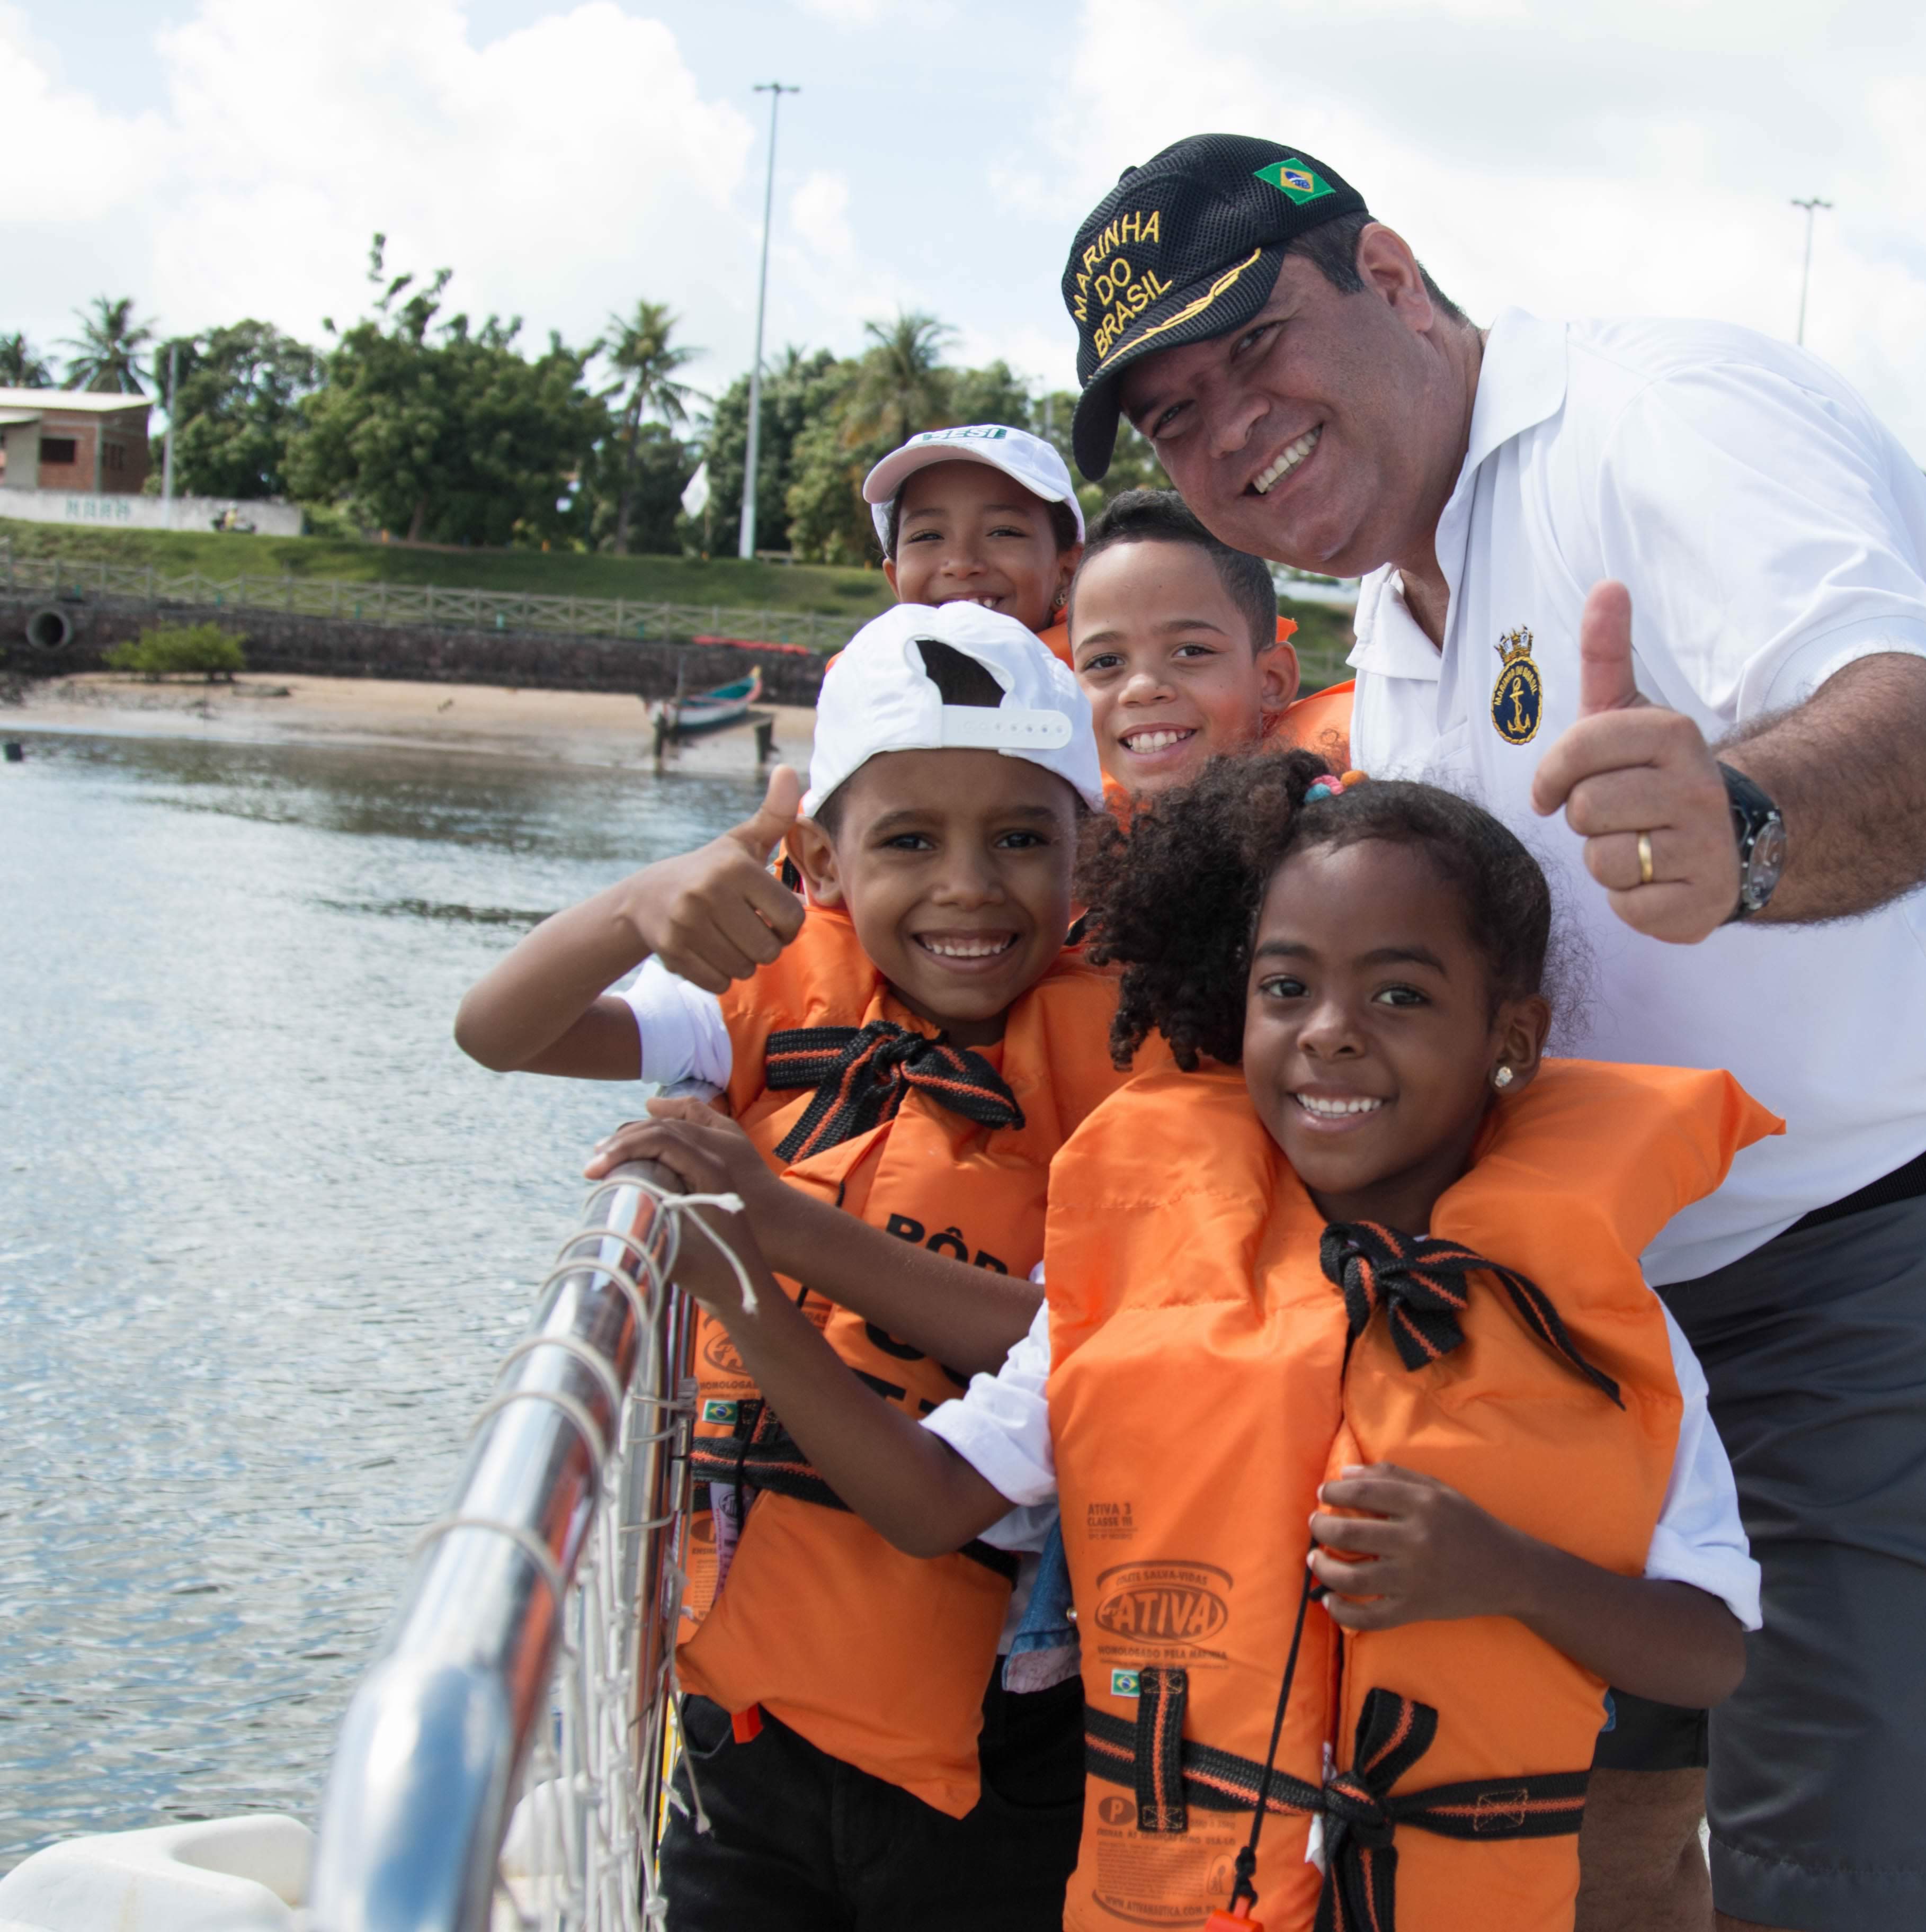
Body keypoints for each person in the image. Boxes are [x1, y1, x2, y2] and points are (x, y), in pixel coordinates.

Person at [1049, 136, 1926, 1932]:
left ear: (1392, 275)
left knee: (1881, 1886)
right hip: (1642, 1311)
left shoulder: (1658, 416)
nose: (1229, 432)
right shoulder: (1397, 609)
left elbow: (1915, 729)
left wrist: (1740, 825)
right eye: (1175, 415)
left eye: (1253, 347)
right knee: (1575, 1851)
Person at [596, 750, 1771, 1932]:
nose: (1331, 1035)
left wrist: (1508, 1573)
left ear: (1512, 1035)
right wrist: (742, 1270)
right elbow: (927, 1497)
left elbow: (1707, 1649)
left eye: (1400, 996)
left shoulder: (1597, 1325)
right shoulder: (1141, 1275)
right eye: (1286, 989)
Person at [454, 602, 1128, 1930]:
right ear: (818, 858)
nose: (968, 888)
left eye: (1018, 840)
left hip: (1000, 1745)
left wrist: (774, 1224)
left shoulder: (1130, 1067)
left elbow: (1092, 1342)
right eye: (907, 842)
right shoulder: (767, 998)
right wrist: (641, 902)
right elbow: (500, 1029)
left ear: (1084, 854)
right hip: (744, 1733)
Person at [1066, 487, 1354, 798]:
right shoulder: (1052, 829)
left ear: (1272, 679)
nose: (1142, 689)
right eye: (1105, 662)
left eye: (1191, 651)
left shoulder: (1344, 828)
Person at [863, 423, 1084, 659]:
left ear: (1067, 573)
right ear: (895, 580)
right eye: (928, 536)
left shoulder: (1109, 691)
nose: (961, 565)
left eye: (1002, 532)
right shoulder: (857, 689)